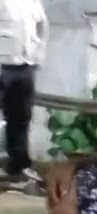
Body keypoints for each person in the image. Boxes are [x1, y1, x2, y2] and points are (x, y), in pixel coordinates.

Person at [0, 0, 46, 184]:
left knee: (21, 116)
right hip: (3, 63)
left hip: (25, 65)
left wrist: (39, 57)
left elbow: (43, 27)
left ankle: (18, 165)